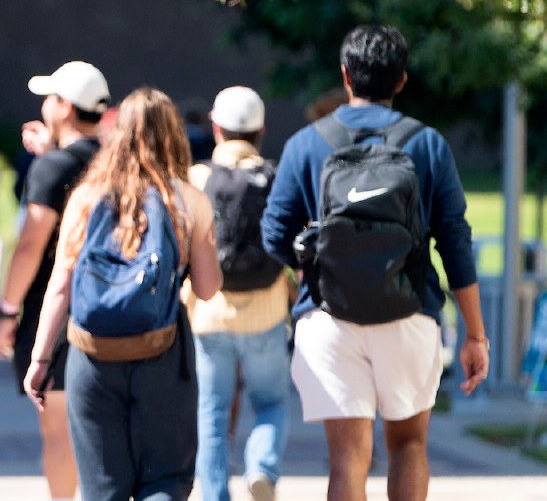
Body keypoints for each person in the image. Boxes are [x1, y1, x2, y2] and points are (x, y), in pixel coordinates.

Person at [262, 25, 488, 501]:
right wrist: (475, 333)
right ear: (402, 80)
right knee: (408, 445)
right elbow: (455, 242)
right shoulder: (427, 144)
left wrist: (314, 268)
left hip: (329, 317)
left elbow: (273, 234)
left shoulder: (307, 142)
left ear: (345, 75)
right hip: (409, 314)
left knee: (346, 458)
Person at [26, 88, 221, 501]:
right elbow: (207, 289)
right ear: (174, 137)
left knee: (103, 485)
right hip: (163, 351)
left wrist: (41, 359)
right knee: (165, 480)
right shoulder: (189, 199)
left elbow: (60, 283)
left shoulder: (86, 196)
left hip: (91, 356)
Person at [0, 61, 109, 501]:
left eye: (49, 97)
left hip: (56, 314)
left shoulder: (53, 168)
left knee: (59, 429)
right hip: (115, 310)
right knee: (101, 428)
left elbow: (29, 247)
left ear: (63, 106)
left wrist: (7, 310)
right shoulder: (114, 162)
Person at [187, 86, 293, 501]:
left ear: (216, 128)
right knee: (270, 402)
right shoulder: (277, 174)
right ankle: (261, 467)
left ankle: (215, 495)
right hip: (267, 310)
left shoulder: (197, 177)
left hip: (210, 313)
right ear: (261, 130)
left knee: (212, 413)